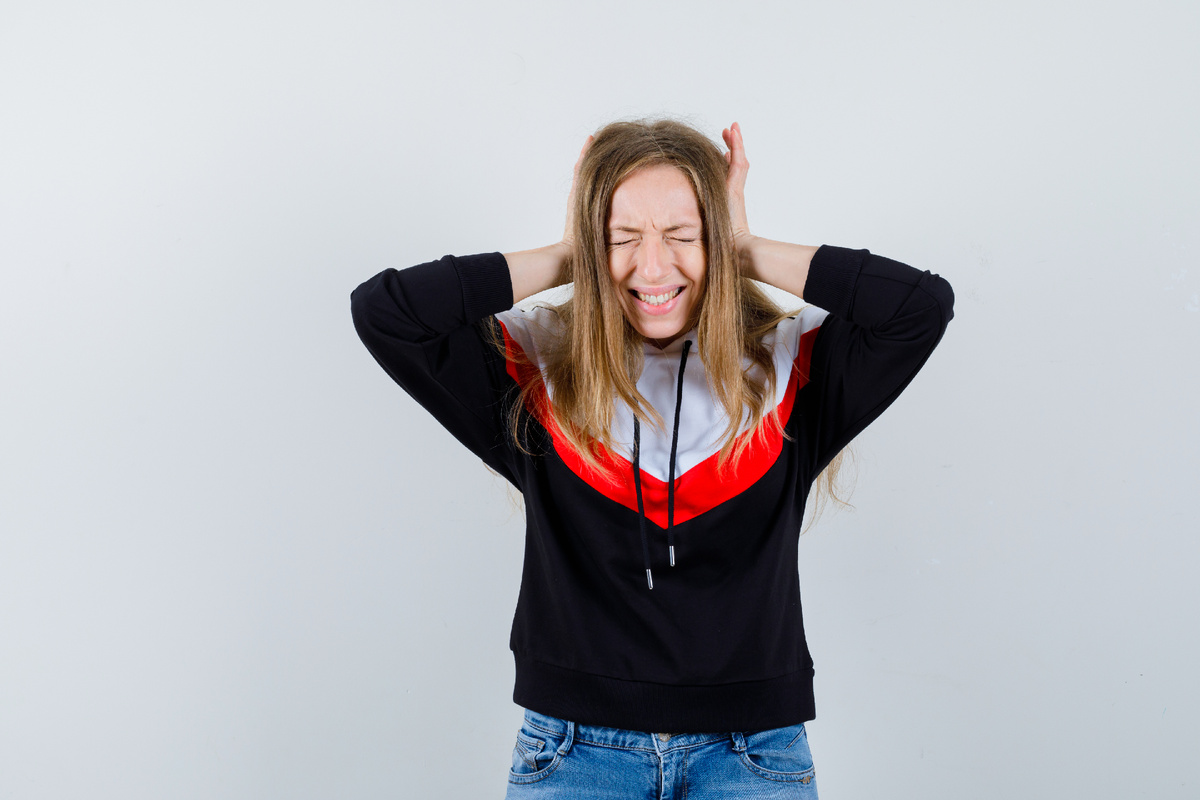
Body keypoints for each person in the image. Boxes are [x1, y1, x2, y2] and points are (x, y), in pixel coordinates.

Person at [350, 119, 954, 799]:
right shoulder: (534, 363)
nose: (654, 267)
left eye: (683, 235)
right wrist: (569, 254)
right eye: (623, 237)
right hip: (573, 755)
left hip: (753, 756)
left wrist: (744, 249)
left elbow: (920, 306)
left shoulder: (792, 364)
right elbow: (386, 313)